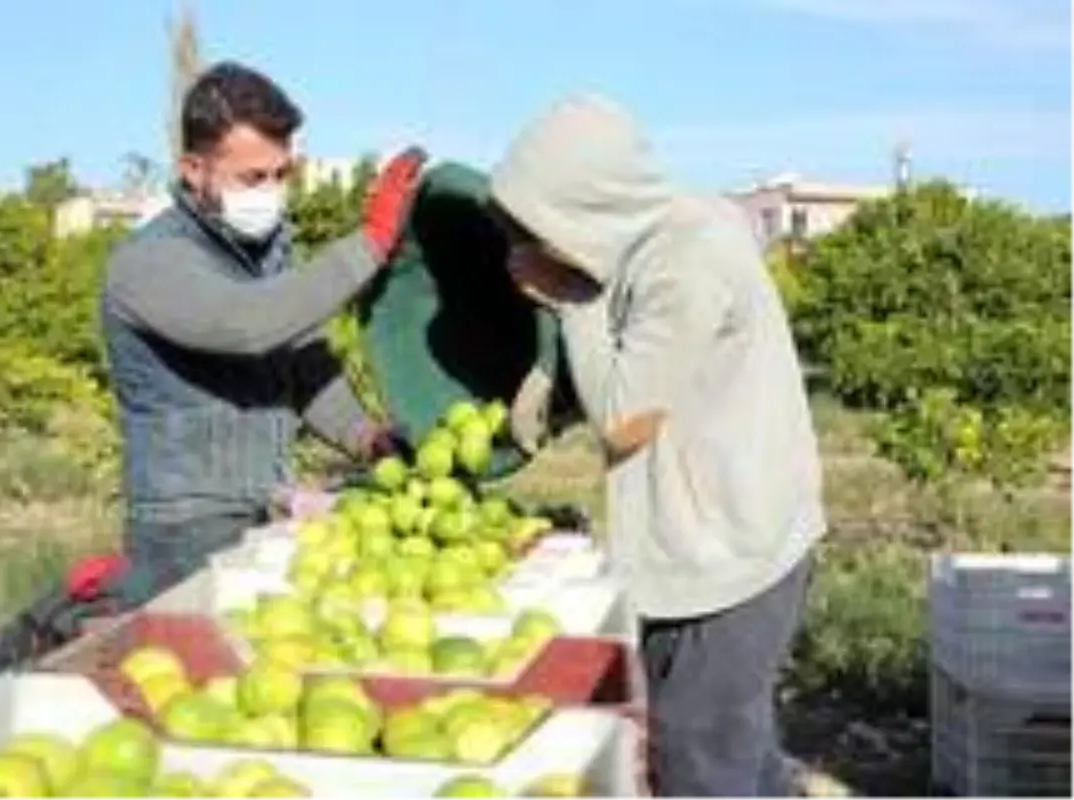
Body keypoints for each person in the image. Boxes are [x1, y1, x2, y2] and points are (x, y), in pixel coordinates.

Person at [487, 94, 826, 799]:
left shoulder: (687, 259)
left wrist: (569, 299)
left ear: (587, 202)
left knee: (698, 753)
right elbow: (639, 367)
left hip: (734, 554)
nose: (540, 242)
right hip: (706, 539)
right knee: (737, 747)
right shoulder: (648, 238)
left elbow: (626, 421)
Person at [100, 61, 425, 592]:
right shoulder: (149, 262)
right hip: (183, 539)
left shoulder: (269, 255)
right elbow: (248, 323)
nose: (270, 192)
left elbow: (302, 360)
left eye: (281, 174)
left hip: (265, 512)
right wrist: (370, 243)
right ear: (193, 169)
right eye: (252, 177)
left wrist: (364, 435)